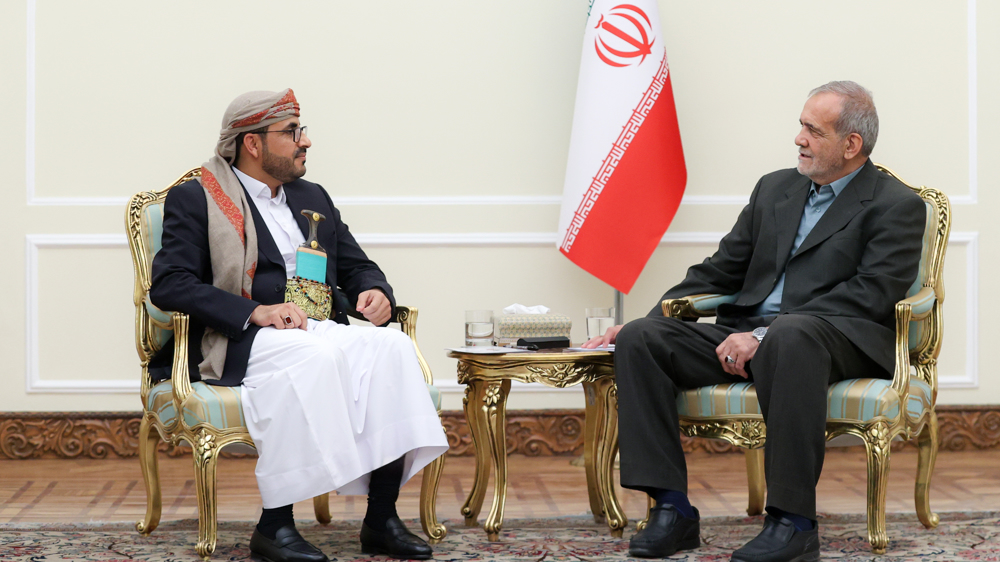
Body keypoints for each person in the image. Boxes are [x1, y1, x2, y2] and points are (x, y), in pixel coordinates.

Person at [582, 81, 925, 562]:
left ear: (852, 145)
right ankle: (671, 509)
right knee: (642, 339)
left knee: (790, 334)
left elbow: (869, 294)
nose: (799, 139)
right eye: (800, 126)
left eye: (813, 130)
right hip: (750, 331)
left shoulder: (896, 205)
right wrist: (652, 314)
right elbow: (722, 268)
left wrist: (763, 335)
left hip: (834, 336)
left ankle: (793, 523)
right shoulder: (775, 188)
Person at [149, 89, 449, 562]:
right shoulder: (198, 198)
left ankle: (381, 519)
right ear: (252, 143)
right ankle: (275, 526)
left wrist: (376, 293)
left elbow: (356, 266)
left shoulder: (312, 196)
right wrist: (253, 312)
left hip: (315, 324)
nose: (305, 140)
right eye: (291, 132)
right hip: (240, 337)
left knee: (392, 350)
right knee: (315, 356)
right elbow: (169, 284)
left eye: (300, 129)